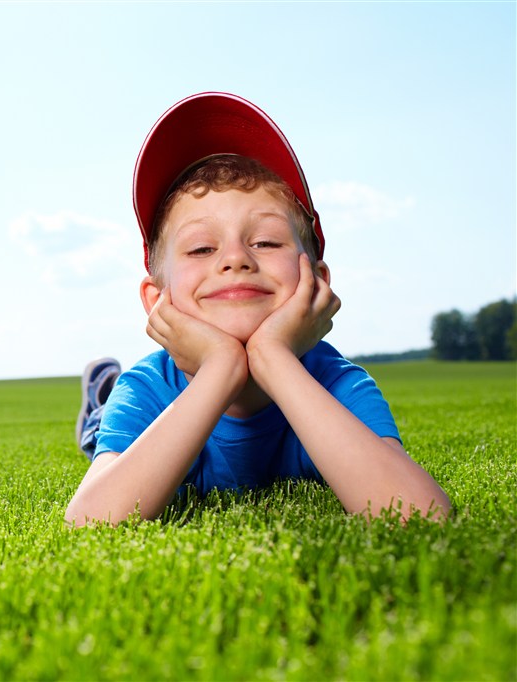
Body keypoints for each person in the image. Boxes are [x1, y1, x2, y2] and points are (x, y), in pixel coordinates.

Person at [65, 92, 450, 527]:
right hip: (143, 415)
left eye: (266, 241)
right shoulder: (146, 388)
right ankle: (100, 410)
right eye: (202, 247)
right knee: (104, 438)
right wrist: (220, 369)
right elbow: (90, 522)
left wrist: (272, 357)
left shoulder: (338, 382)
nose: (235, 259)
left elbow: (422, 516)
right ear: (158, 301)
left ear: (317, 281)